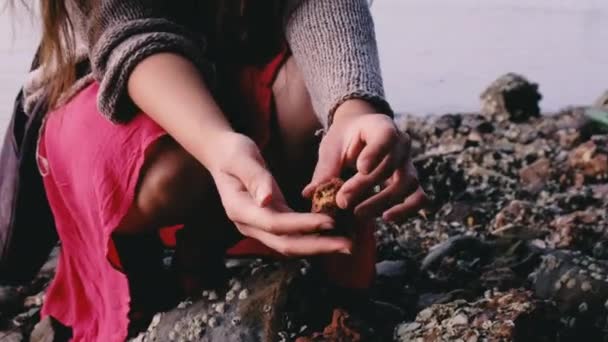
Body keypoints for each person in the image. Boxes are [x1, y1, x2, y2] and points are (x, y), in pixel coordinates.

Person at [25, 0, 427, 340]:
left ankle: (257, 249)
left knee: (320, 109)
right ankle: (143, 261)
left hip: (243, 61)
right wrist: (217, 145)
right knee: (171, 175)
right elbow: (129, 29)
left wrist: (355, 110)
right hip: (115, 80)